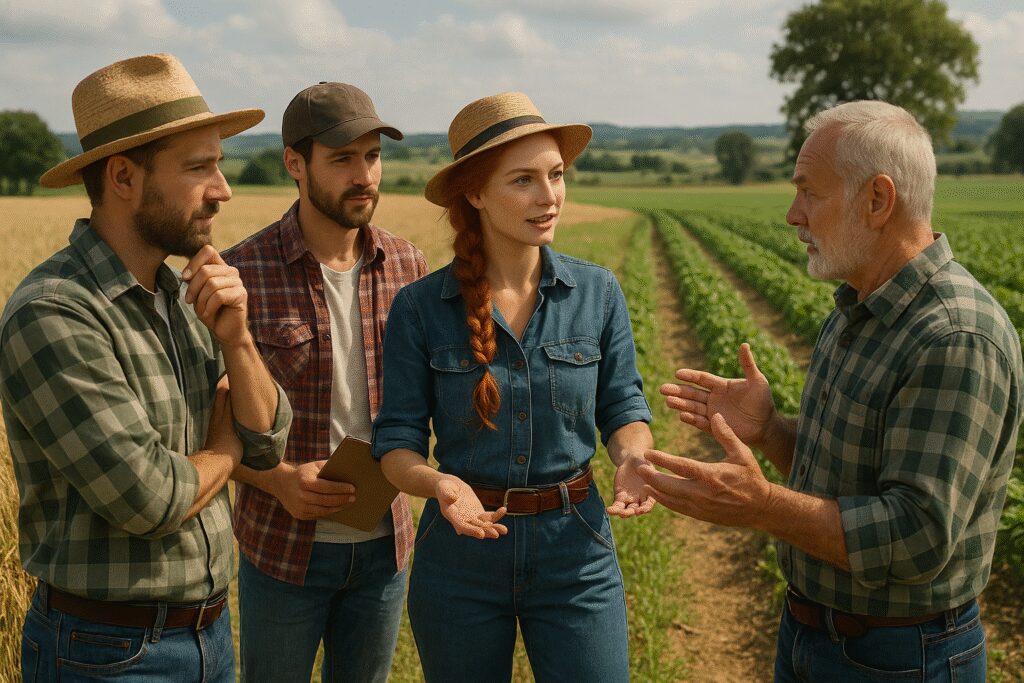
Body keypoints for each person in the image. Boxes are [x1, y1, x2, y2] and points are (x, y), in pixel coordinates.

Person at [641, 100, 1023, 682]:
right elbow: (846, 479)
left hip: (901, 658)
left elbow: (917, 535)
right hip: (815, 634)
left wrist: (764, 506)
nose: (794, 215)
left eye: (809, 194)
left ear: (878, 200)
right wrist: (770, 431)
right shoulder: (855, 308)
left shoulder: (954, 336)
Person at [0, 53, 292, 682]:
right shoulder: (54, 314)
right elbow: (150, 497)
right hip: (104, 654)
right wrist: (224, 446)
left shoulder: (185, 294)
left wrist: (239, 343)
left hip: (211, 635)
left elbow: (270, 440)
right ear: (125, 177)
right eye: (199, 167)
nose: (224, 189)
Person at [372, 91, 655, 682]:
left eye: (555, 175)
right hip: (460, 553)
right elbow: (396, 444)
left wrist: (633, 456)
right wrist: (440, 485)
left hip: (575, 546)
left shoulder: (597, 293)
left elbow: (623, 405)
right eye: (523, 180)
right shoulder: (421, 308)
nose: (548, 196)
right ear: (474, 193)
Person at [222, 82, 427, 682]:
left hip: (385, 547)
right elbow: (195, 429)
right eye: (342, 159)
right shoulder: (242, 273)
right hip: (282, 547)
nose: (364, 175)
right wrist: (276, 479)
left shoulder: (408, 266)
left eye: (372, 156)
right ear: (295, 163)